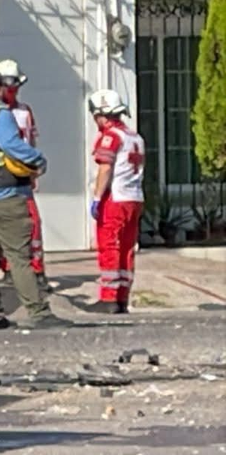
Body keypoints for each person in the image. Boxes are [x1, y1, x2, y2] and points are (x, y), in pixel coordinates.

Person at [0, 69, 67, 329]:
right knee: (19, 257)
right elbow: (12, 145)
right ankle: (39, 312)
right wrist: (38, 159)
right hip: (7, 196)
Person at [87, 88, 145, 314]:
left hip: (115, 198)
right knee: (127, 248)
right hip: (135, 198)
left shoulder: (110, 137)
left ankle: (109, 298)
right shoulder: (135, 137)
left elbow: (105, 168)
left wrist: (96, 197)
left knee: (109, 245)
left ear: (101, 114)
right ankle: (122, 297)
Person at [0, 59, 48, 291]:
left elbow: (30, 140)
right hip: (1, 176)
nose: (12, 91)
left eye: (15, 86)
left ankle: (36, 270)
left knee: (32, 224)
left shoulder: (25, 112)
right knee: (2, 225)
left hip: (23, 175)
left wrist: (33, 172)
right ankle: (6, 268)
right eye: (8, 86)